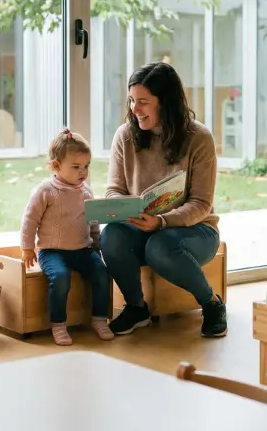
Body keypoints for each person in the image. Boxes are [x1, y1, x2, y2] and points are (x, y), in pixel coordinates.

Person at [101, 61, 227, 338]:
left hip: (195, 230)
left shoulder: (199, 138)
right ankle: (136, 307)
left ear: (166, 102)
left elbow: (201, 204)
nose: (135, 109)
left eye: (143, 101)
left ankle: (212, 303)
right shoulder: (125, 136)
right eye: (132, 100)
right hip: (140, 225)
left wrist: (161, 221)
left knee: (159, 247)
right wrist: (125, 211)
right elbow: (114, 190)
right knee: (110, 235)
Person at [20, 129, 114, 345]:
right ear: (55, 166)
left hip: (82, 249)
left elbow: (93, 224)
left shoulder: (86, 192)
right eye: (76, 167)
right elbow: (29, 220)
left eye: (86, 166)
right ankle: (59, 324)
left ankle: (99, 318)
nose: (83, 172)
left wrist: (98, 248)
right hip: (52, 251)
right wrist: (27, 247)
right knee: (60, 277)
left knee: (101, 272)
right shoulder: (45, 191)